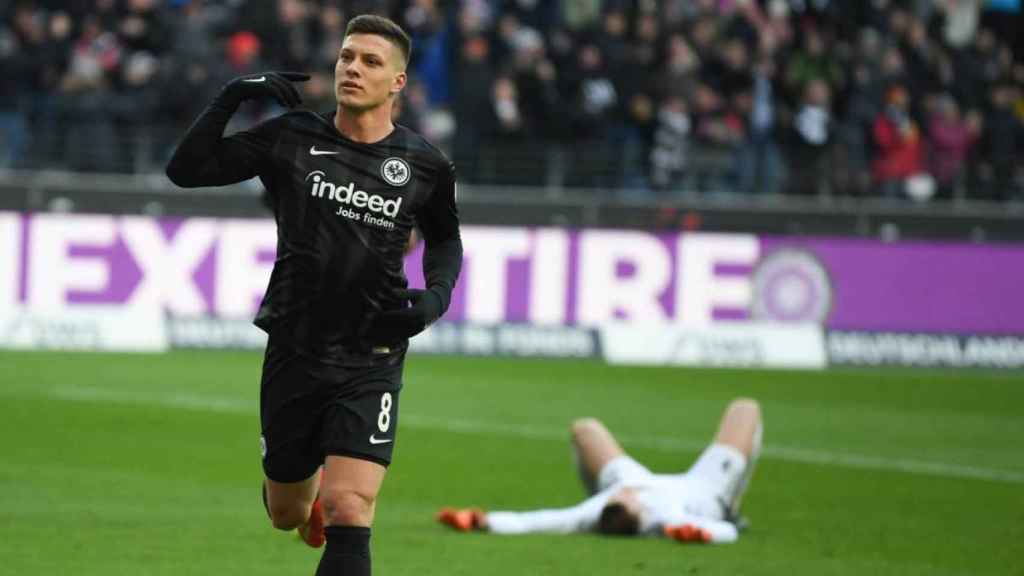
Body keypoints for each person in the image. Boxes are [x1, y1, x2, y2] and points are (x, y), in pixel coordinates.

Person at [165, 14, 462, 576]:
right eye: (347, 56)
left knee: (349, 507)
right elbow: (186, 170)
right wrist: (229, 97)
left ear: (398, 82)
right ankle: (304, 491)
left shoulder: (424, 165)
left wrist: (436, 296)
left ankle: (336, 498)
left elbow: (446, 240)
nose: (353, 68)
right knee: (288, 512)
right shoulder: (293, 136)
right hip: (295, 348)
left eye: (370, 61)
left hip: (371, 352)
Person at [438, 398, 762, 544]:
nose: (617, 495)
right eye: (622, 500)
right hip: (702, 488)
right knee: (746, 409)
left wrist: (482, 519)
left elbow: (536, 521)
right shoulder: (667, 515)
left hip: (637, 478)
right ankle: (732, 505)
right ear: (637, 511)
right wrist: (703, 531)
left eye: (614, 498)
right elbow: (725, 534)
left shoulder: (603, 504)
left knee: (585, 429)